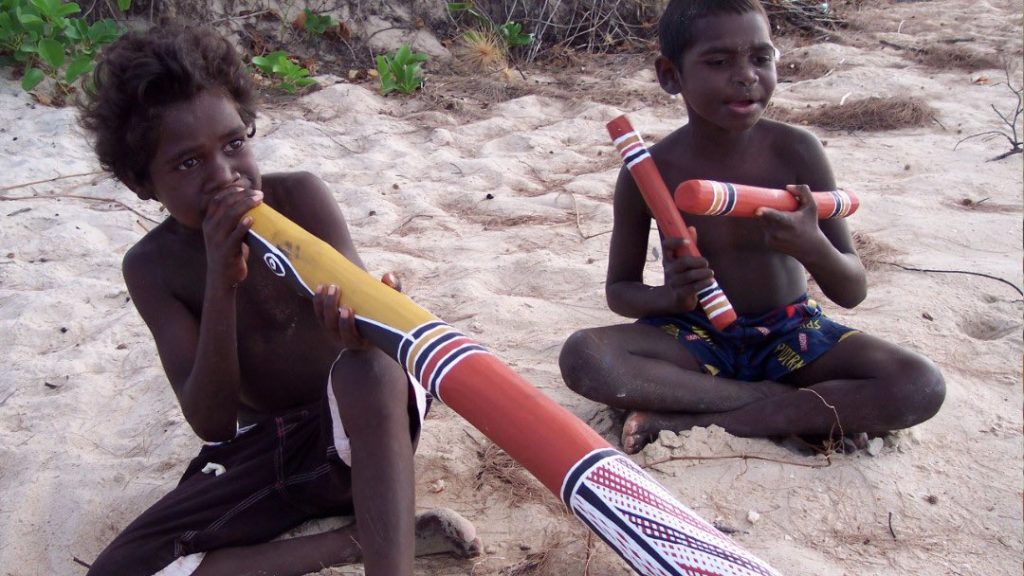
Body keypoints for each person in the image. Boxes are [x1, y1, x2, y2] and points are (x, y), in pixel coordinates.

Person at [77, 23, 480, 576]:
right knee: (119, 569)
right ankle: (361, 538)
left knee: (372, 369)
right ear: (140, 183)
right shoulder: (150, 268)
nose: (224, 177)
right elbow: (213, 423)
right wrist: (222, 281)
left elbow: (367, 337)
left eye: (234, 144)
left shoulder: (300, 198)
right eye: (188, 164)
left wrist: (363, 325)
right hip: (267, 455)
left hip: (357, 438)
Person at [559, 0, 945, 455]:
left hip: (791, 334)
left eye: (761, 58)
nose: (746, 75)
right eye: (719, 62)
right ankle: (778, 406)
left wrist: (812, 246)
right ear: (670, 76)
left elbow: (852, 290)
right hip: (693, 336)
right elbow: (620, 290)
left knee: (919, 384)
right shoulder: (649, 170)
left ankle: (703, 420)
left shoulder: (797, 151)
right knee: (585, 356)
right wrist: (672, 297)